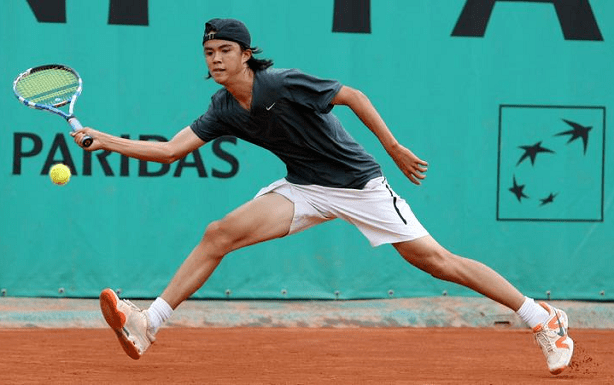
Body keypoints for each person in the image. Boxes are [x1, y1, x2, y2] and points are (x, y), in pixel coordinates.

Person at [73, 18, 573, 374]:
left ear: (245, 54)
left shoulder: (282, 82)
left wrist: (393, 147)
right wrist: (107, 140)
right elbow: (172, 151)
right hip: (305, 188)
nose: (216, 59)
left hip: (359, 186)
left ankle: (542, 317)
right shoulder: (224, 107)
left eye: (225, 50)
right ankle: (148, 323)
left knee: (438, 262)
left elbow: (352, 95)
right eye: (209, 53)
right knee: (218, 233)